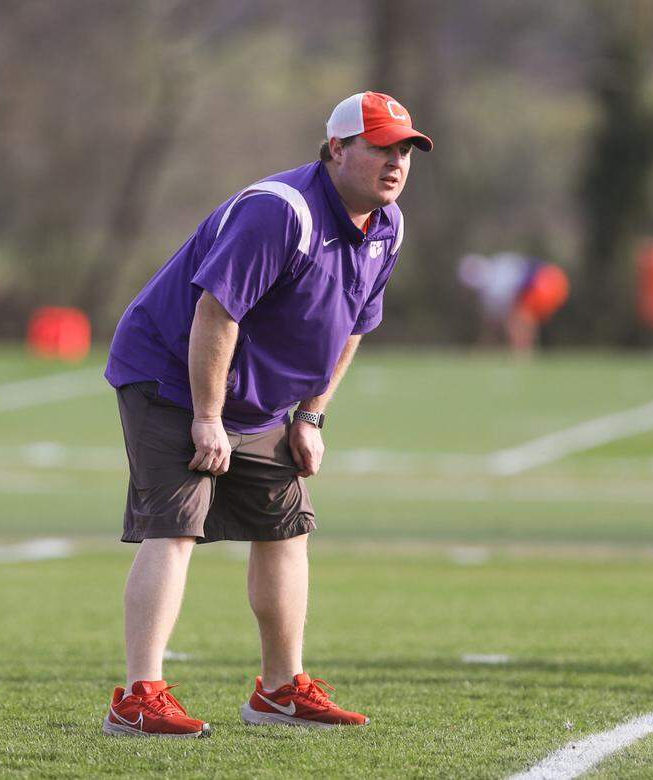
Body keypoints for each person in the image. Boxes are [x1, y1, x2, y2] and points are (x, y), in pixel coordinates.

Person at [102, 91, 432, 737]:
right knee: (174, 525)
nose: (394, 163)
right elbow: (215, 312)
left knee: (286, 528)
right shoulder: (281, 212)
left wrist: (311, 416)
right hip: (173, 373)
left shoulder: (387, 224)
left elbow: (353, 325)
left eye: (403, 150)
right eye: (379, 147)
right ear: (336, 149)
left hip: (262, 396)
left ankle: (280, 690)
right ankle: (139, 695)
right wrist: (206, 418)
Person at [457, 252, 569, 355]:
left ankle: (522, 353)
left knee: (518, 319)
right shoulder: (498, 264)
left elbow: (493, 324)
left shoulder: (492, 288)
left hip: (546, 281)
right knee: (520, 316)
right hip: (555, 277)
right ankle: (523, 352)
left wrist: (483, 347)